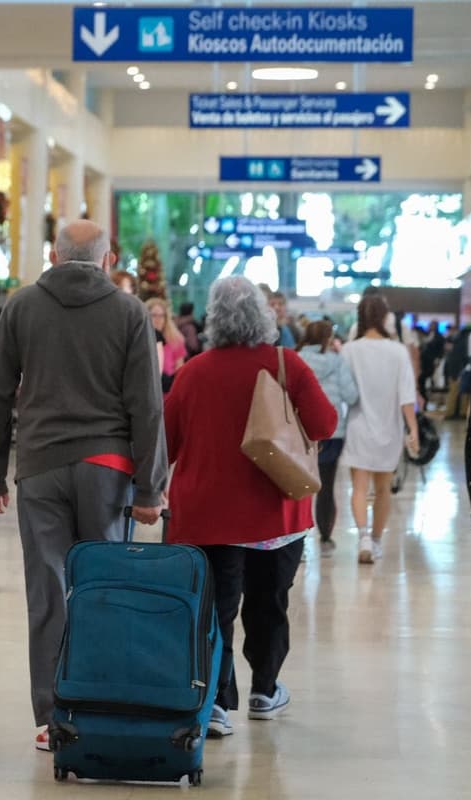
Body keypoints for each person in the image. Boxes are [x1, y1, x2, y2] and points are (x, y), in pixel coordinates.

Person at [0, 220, 167, 752]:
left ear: (54, 256)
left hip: (38, 464)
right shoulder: (129, 312)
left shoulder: (20, 306)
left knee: (47, 590)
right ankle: (101, 703)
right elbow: (146, 405)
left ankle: (51, 715)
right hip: (107, 466)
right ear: (108, 260)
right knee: (103, 586)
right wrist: (150, 488)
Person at [165, 276, 336, 737]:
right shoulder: (288, 365)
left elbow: (168, 443)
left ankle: (216, 704)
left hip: (206, 516)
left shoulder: (193, 372)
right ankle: (264, 689)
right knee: (268, 603)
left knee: (214, 610)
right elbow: (324, 422)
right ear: (264, 313)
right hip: (275, 514)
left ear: (213, 318)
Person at [340, 293, 419, 564]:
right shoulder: (397, 351)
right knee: (383, 489)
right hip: (390, 429)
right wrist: (414, 429)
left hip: (358, 425)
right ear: (386, 317)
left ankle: (362, 536)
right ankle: (375, 540)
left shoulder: (349, 350)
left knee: (359, 487)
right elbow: (406, 395)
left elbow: (343, 392)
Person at [296, 320, 359, 555]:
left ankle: (298, 542)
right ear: (327, 339)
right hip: (332, 431)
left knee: (298, 486)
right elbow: (351, 396)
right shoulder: (337, 361)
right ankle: (325, 539)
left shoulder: (294, 359)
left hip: (300, 432)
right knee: (326, 485)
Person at [146, 298, 188, 393]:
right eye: (154, 315)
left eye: (162, 316)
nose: (158, 320)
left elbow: (180, 373)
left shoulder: (176, 341)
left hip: (168, 392)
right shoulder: (140, 341)